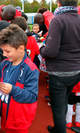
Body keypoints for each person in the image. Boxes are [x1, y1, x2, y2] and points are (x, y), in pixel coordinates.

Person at [0, 24, 39, 133]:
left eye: (7, 51)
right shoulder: (5, 63)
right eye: (2, 50)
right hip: (5, 114)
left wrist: (13, 90)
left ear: (21, 48)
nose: (4, 54)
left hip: (20, 120)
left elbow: (32, 96)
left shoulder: (31, 69)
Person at [39, 0, 80, 132]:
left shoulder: (58, 20)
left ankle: (59, 128)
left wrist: (41, 49)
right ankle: (58, 128)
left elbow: (50, 52)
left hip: (60, 72)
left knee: (58, 108)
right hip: (76, 70)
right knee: (63, 102)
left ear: (58, 3)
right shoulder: (78, 18)